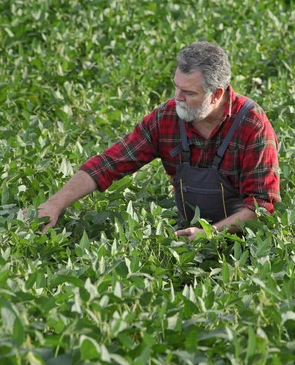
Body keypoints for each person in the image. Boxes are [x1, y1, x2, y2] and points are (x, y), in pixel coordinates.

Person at [31, 41, 280, 242]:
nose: (177, 98)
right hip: (186, 236)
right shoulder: (167, 117)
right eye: (176, 87)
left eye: (189, 93)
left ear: (216, 95)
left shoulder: (252, 125)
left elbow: (260, 206)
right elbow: (109, 163)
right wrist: (54, 204)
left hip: (243, 243)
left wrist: (210, 234)